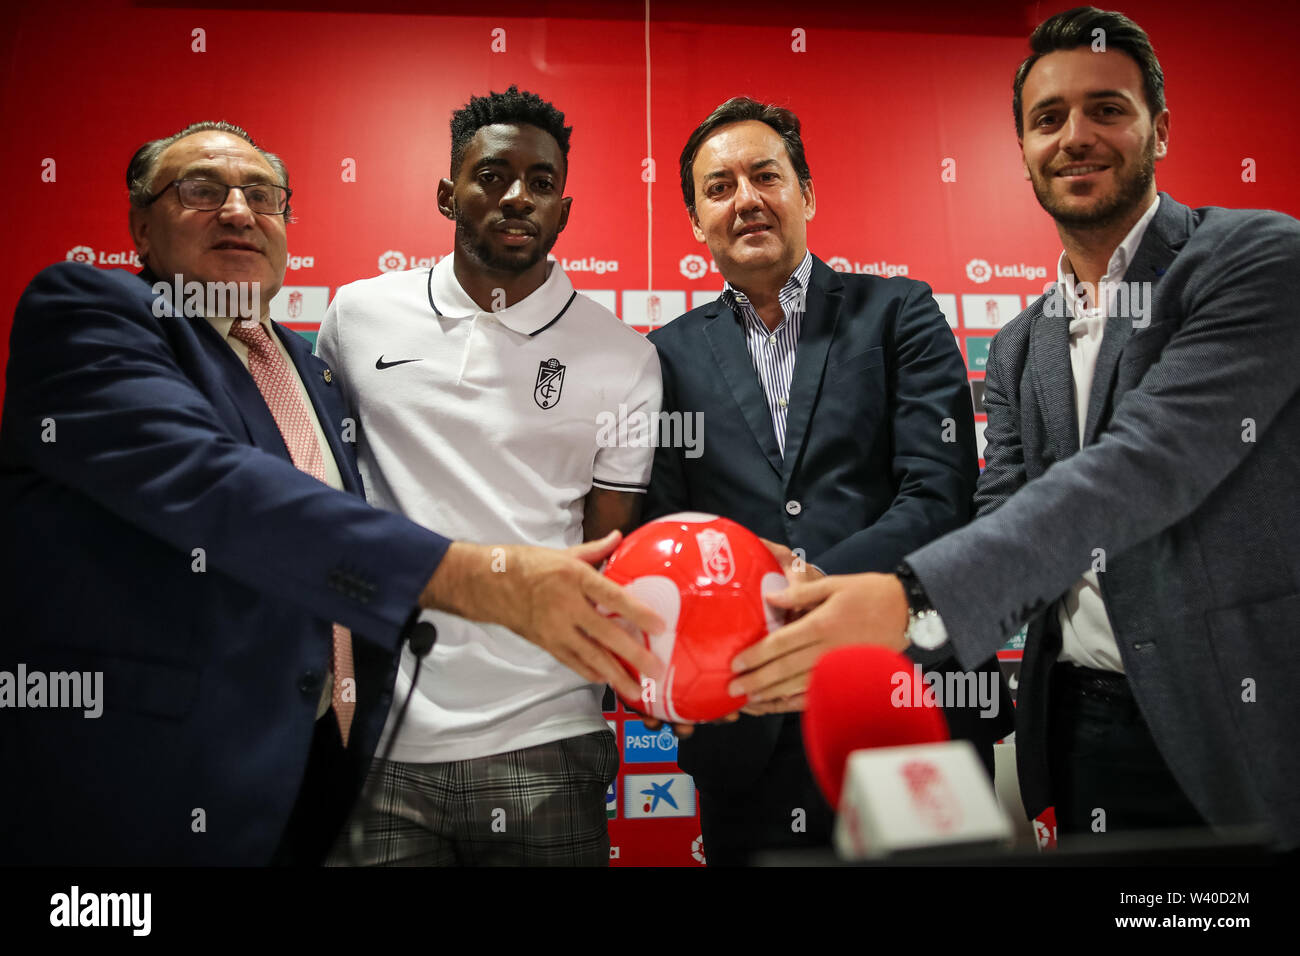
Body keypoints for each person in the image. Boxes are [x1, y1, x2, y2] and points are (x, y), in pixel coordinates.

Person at [0, 121, 662, 866]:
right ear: (140, 227)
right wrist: (474, 578)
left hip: (314, 768)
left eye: (263, 195)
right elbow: (218, 488)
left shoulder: (304, 364)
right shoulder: (90, 313)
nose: (239, 212)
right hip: (145, 782)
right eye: (201, 190)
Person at [746, 7, 1300, 848]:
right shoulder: (1016, 345)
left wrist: (900, 603)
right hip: (1080, 727)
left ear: (1160, 129)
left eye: (1107, 109)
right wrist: (868, 653)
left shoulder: (1255, 259)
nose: (1076, 136)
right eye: (1049, 119)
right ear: (1024, 151)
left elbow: (1141, 467)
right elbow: (1003, 519)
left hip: (1239, 720)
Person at [643, 97, 1013, 865]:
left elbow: (940, 499)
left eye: (765, 176)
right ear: (695, 220)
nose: (745, 198)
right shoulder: (666, 356)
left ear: (806, 194)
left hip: (904, 698)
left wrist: (799, 586)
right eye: (719, 187)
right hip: (746, 716)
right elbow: (664, 531)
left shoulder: (899, 313)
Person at [318, 87, 661, 866]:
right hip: (382, 736)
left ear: (564, 211)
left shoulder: (624, 357)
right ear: (447, 193)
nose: (517, 198)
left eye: (541, 183)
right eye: (493, 176)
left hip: (546, 736)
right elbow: (325, 496)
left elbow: (604, 558)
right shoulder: (356, 316)